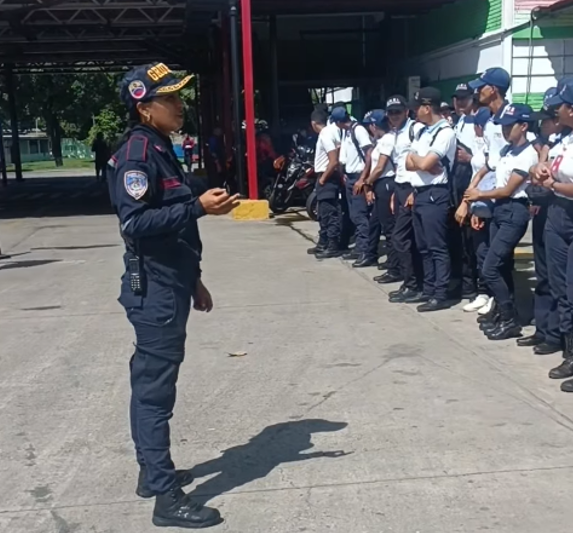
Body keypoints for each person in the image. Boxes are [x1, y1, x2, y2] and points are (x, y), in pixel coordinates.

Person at [108, 62, 240, 528]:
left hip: (172, 281)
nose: (180, 106)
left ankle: (151, 474)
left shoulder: (160, 147)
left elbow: (173, 228)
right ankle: (167, 498)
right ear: (145, 109)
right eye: (170, 99)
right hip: (155, 289)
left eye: (179, 97)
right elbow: (135, 223)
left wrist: (194, 279)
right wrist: (197, 207)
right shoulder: (138, 153)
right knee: (154, 394)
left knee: (151, 385)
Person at [464, 104, 538, 341]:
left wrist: (479, 195)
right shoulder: (507, 150)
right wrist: (476, 194)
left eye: (509, 126)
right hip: (500, 210)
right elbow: (488, 169)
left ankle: (509, 318)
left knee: (490, 267)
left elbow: (508, 189)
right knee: (502, 266)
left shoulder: (528, 154)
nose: (505, 131)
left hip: (514, 210)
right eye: (503, 126)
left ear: (523, 126)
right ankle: (504, 313)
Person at [533, 79, 573, 391]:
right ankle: (569, 351)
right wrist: (540, 169)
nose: (554, 112)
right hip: (558, 213)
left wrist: (553, 185)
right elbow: (544, 163)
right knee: (559, 285)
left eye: (558, 107)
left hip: (567, 205)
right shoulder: (563, 138)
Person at [517, 88, 563, 355]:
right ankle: (543, 328)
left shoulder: (563, 144)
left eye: (546, 120)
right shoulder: (551, 143)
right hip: (543, 208)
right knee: (543, 272)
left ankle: (556, 334)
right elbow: (535, 176)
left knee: (558, 278)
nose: (542, 125)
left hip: (559, 209)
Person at [406, 87, 457, 312]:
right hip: (420, 192)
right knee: (424, 246)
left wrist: (421, 162)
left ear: (427, 108)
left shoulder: (444, 132)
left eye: (417, 107)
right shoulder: (422, 132)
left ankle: (440, 293)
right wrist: (422, 162)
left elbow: (424, 163)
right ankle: (428, 289)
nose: (415, 111)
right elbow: (408, 162)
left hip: (436, 193)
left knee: (437, 246)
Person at [385, 95, 425, 303]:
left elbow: (421, 159)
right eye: (391, 112)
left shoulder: (415, 129)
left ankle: (413, 285)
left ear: (406, 112)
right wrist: (396, 191)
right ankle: (411, 282)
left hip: (412, 188)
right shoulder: (395, 133)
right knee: (406, 238)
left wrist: (413, 191)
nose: (394, 116)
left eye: (398, 112)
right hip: (400, 187)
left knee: (401, 238)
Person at [451, 83, 481, 303]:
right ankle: (464, 282)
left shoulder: (479, 122)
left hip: (472, 183)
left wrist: (469, 158)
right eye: (457, 98)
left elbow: (485, 159)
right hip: (457, 182)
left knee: (472, 240)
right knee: (459, 239)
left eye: (464, 98)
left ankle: (475, 286)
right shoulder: (460, 121)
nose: (460, 102)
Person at [334, 107, 375, 267]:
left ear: (339, 122)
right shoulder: (347, 132)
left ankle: (365, 250)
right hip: (350, 177)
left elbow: (369, 154)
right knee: (354, 215)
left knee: (360, 216)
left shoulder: (358, 130)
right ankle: (359, 248)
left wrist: (363, 179)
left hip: (358, 177)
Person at [362, 109, 401, 279]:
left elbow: (380, 167)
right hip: (379, 183)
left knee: (389, 228)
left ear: (374, 125)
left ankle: (394, 269)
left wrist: (367, 183)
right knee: (379, 223)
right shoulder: (381, 141)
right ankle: (391, 261)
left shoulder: (387, 140)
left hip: (386, 184)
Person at [463, 107, 495, 315]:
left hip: (492, 202)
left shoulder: (496, 147)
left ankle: (494, 296)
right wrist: (474, 207)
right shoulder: (479, 145)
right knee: (480, 251)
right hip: (479, 203)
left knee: (493, 255)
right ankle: (483, 292)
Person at [311, 109, 342, 259]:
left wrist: (323, 179)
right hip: (328, 175)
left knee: (329, 213)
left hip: (327, 176)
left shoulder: (325, 134)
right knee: (323, 213)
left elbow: (333, 160)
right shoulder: (332, 131)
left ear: (313, 123)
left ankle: (332, 245)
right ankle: (323, 242)